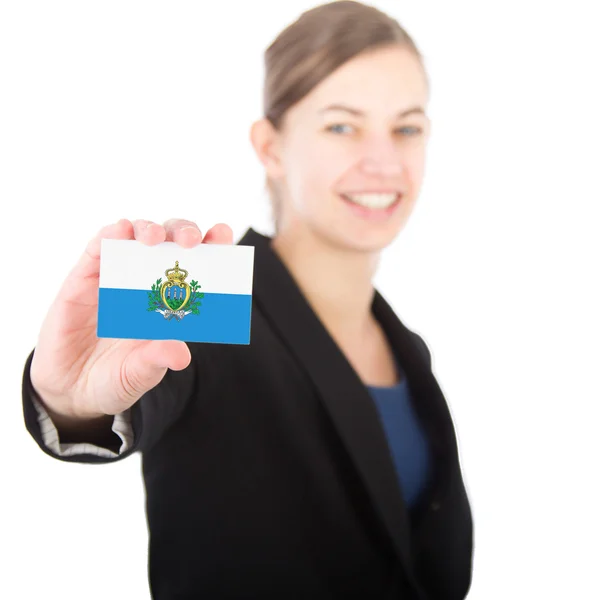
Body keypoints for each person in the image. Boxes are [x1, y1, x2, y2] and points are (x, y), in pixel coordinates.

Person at [21, 2, 474, 598]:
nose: (384, 161)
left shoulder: (408, 349)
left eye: (406, 127)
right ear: (271, 148)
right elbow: (126, 394)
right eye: (342, 125)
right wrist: (68, 401)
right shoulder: (209, 300)